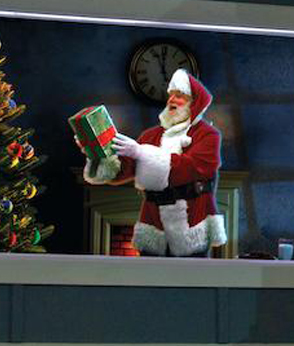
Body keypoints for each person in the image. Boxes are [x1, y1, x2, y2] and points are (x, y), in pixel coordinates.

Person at [81, 68, 226, 257]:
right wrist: (96, 153)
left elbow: (192, 168)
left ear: (194, 103)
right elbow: (123, 170)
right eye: (171, 95)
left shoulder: (207, 135)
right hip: (153, 222)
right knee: (150, 272)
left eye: (179, 96)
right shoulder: (151, 136)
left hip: (192, 222)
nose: (171, 100)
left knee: (190, 273)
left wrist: (142, 152)